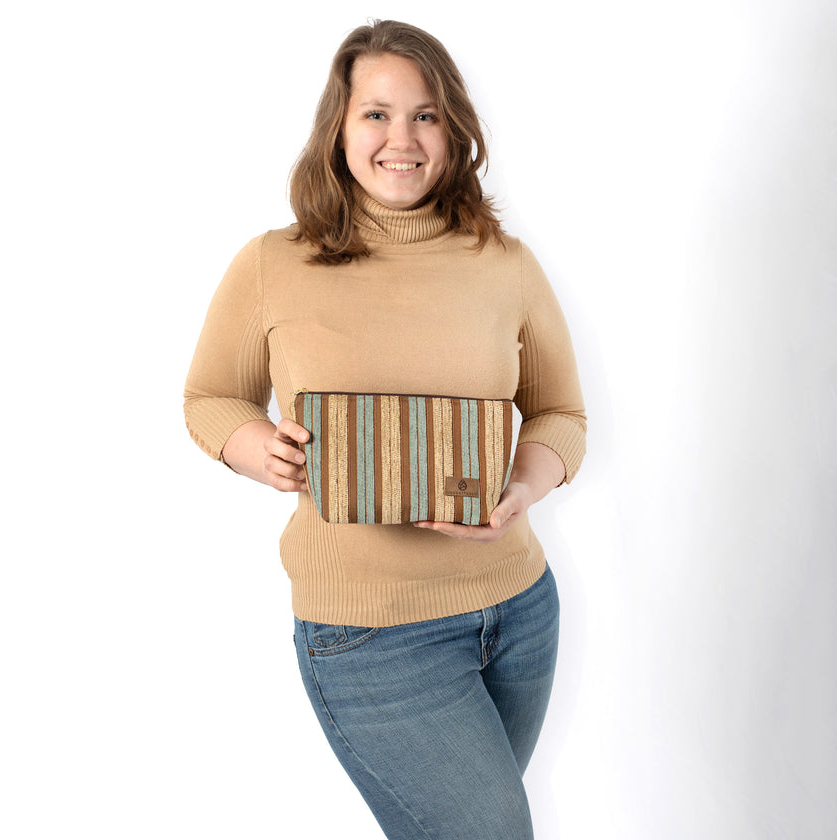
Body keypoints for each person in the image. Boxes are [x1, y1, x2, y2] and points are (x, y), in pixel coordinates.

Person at [184, 19, 586, 840]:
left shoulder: (503, 261)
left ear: (455, 132)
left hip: (516, 613)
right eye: (376, 113)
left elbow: (560, 414)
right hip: (369, 636)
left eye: (426, 115)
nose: (401, 138)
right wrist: (257, 450)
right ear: (339, 127)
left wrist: (524, 486)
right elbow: (208, 398)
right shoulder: (274, 261)